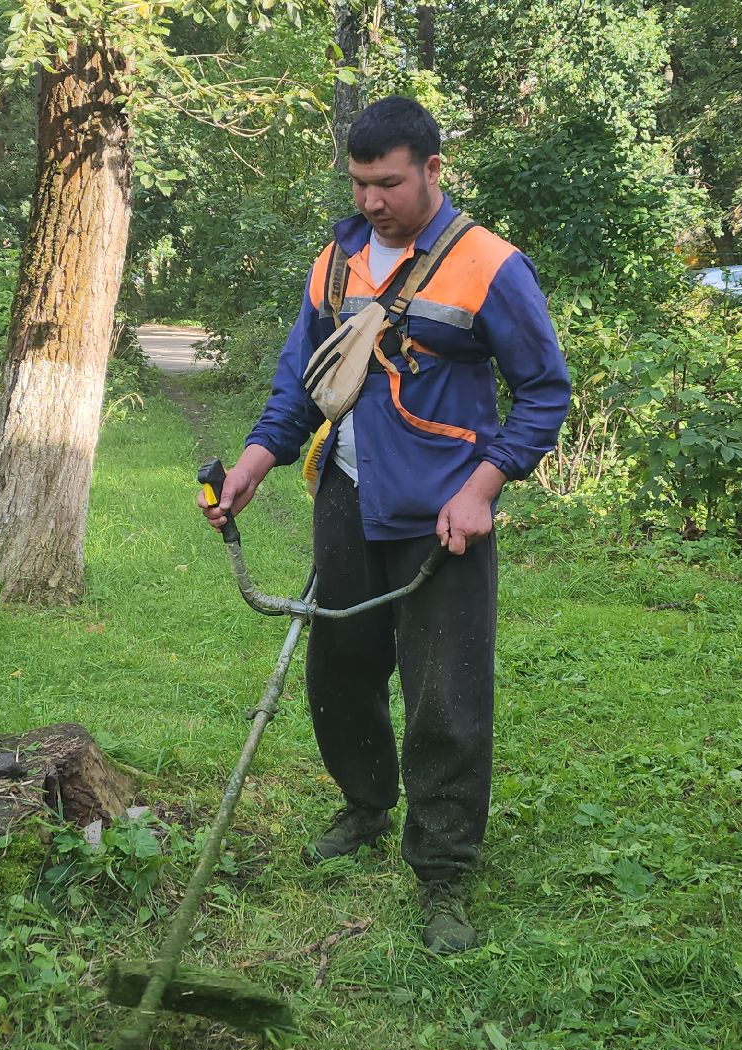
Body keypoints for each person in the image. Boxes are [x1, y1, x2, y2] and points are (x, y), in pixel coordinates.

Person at [198, 97, 570, 954]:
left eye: (389, 183)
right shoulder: (336, 261)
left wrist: (485, 487)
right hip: (347, 494)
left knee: (446, 697)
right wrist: (257, 462)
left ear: (434, 170)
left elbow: (545, 392)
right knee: (340, 671)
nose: (373, 201)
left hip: (444, 512)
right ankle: (366, 805)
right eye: (361, 183)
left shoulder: (488, 266)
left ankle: (443, 874)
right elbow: (302, 379)